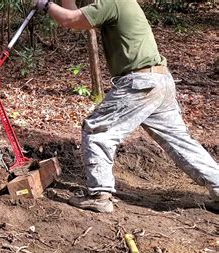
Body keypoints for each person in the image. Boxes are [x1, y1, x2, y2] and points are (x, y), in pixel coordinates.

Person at [32, 0, 219, 213]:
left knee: (96, 131)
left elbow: (70, 20)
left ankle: (99, 195)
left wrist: (44, 5)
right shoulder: (119, 2)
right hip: (159, 80)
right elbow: (77, 21)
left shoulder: (112, 2)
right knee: (180, 141)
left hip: (140, 82)